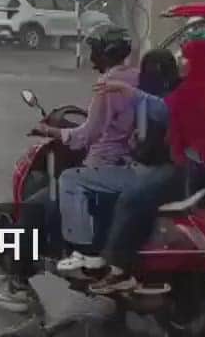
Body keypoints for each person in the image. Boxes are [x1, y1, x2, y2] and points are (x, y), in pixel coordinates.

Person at [0, 24, 139, 313]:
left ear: (107, 52)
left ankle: (18, 285)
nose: (91, 56)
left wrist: (50, 131)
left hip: (101, 169)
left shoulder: (107, 86)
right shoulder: (136, 78)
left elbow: (85, 135)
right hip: (130, 168)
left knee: (33, 208)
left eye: (95, 49)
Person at [89, 39, 205, 294]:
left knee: (132, 198)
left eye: (188, 59)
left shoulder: (196, 91)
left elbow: (164, 111)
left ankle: (119, 269)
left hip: (198, 172)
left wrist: (128, 92)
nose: (183, 63)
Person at [53, 48, 182, 275]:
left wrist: (54, 132)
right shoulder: (179, 95)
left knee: (69, 180)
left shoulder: (133, 94)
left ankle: (84, 252)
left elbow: (90, 134)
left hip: (139, 170)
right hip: (174, 174)